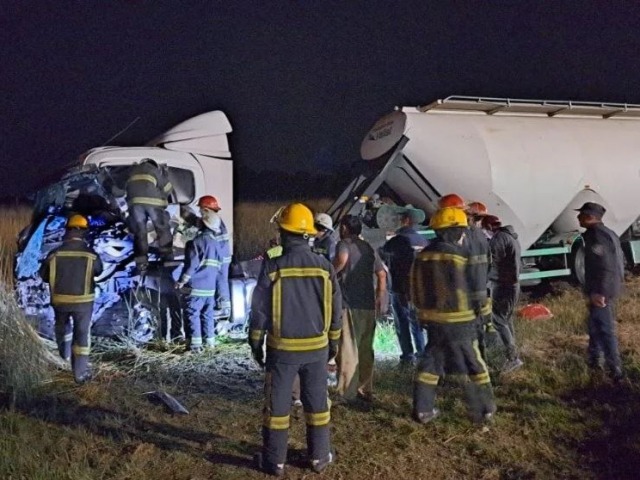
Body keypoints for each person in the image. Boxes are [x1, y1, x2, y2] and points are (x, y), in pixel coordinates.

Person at [249, 203, 342, 476]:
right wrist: (332, 345)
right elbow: (335, 311)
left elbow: (260, 312)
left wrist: (256, 343)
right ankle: (320, 457)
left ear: (284, 233)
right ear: (308, 234)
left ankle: (274, 461)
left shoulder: (272, 268)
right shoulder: (325, 267)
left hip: (282, 352)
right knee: (317, 404)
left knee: (277, 407)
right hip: (316, 350)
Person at [410, 207, 495, 424]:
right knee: (474, 364)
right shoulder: (460, 255)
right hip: (461, 321)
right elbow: (477, 289)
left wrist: (422, 314)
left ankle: (423, 409)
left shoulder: (423, 255)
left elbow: (413, 287)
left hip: (433, 321)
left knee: (430, 364)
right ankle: (485, 409)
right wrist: (486, 320)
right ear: (454, 231)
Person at [40, 214, 103, 384]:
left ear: (67, 231)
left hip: (59, 300)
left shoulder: (54, 253)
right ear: (84, 232)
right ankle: (80, 374)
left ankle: (63, 358)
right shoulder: (91, 255)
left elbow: (44, 276)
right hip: (83, 302)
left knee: (63, 328)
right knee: (81, 334)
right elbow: (99, 272)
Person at [334, 215, 387, 402]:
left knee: (348, 348)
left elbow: (342, 259)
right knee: (365, 348)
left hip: (349, 304)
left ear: (345, 228)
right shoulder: (368, 247)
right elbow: (381, 274)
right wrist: (380, 296)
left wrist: (330, 273)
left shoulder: (343, 244)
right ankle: (365, 389)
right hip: (368, 304)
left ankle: (346, 392)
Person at [576, 202, 625, 381]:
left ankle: (615, 370)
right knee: (595, 326)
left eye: (581, 214)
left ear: (590, 217)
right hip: (607, 289)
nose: (578, 218)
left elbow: (605, 266)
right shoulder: (607, 233)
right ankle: (595, 362)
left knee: (604, 329)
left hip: (601, 291)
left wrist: (600, 292)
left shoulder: (596, 236)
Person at [380, 207, 428, 366]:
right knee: (417, 324)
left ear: (406, 220)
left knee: (402, 323)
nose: (398, 221)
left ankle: (407, 357)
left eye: (401, 218)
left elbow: (382, 255)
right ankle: (421, 354)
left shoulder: (396, 241)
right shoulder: (423, 241)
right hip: (418, 289)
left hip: (399, 288)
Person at [175, 204, 224, 353]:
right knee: (207, 316)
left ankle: (195, 347)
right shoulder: (217, 244)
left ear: (202, 223)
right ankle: (210, 344)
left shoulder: (196, 242)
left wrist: (181, 281)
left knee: (192, 315)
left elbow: (191, 266)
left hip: (196, 288)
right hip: (210, 289)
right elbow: (219, 266)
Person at [484, 214, 523, 372]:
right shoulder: (511, 237)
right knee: (506, 319)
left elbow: (491, 261)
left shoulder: (499, 238)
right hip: (512, 285)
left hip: (504, 285)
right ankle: (513, 353)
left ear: (489, 227)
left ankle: (513, 358)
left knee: (498, 320)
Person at [125, 158, 174, 272]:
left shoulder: (131, 170)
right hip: (153, 204)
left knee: (140, 232)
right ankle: (167, 257)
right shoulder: (153, 170)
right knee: (162, 229)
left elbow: (119, 190)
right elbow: (168, 189)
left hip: (135, 204)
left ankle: (141, 262)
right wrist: (165, 176)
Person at [464, 201, 493, 360]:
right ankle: (483, 359)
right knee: (480, 326)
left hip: (469, 290)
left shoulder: (465, 237)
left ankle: (473, 362)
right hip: (482, 289)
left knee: (469, 328)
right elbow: (490, 264)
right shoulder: (482, 236)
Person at [197, 195, 232, 320]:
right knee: (220, 280)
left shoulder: (213, 220)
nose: (199, 211)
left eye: (201, 208)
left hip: (221, 257)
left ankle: (223, 308)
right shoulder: (215, 219)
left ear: (206, 208)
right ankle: (223, 307)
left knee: (220, 280)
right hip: (223, 255)